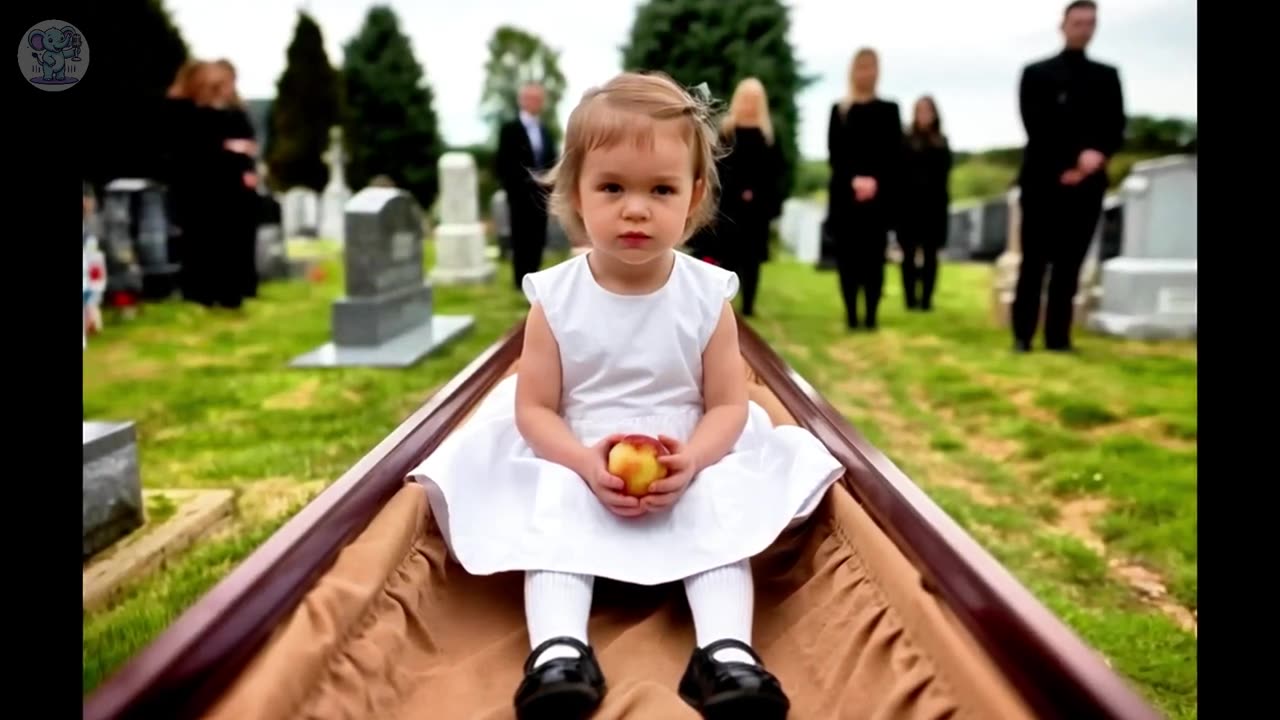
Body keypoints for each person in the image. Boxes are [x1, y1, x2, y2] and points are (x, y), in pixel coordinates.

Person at [408, 71, 844, 720]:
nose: (635, 209)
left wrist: (693, 457)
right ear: (576, 193)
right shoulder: (556, 299)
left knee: (718, 495)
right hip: (581, 447)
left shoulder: (705, 296)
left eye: (660, 189)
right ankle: (559, 649)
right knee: (552, 498)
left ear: (692, 198)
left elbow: (728, 404)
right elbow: (534, 409)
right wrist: (585, 463)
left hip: (682, 445)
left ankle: (724, 652)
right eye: (612, 187)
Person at [1012, 0, 1125, 352]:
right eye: (1078, 22)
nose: (1084, 28)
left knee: (1070, 265)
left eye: (1091, 23)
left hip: (1087, 187)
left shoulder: (1106, 76)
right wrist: (1075, 157)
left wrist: (1095, 157)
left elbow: (1115, 126)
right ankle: (1024, 335)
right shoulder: (1037, 73)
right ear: (1063, 24)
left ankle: (1058, 337)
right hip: (1044, 182)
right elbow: (1038, 125)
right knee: (1034, 263)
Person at [826, 48, 903, 331]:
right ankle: (851, 314)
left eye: (871, 67)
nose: (866, 73)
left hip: (878, 200)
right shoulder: (840, 111)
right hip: (846, 197)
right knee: (848, 258)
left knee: (873, 259)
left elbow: (894, 153)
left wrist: (875, 180)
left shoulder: (890, 110)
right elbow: (836, 153)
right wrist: (853, 180)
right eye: (862, 67)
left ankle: (871, 315)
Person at [697, 77, 783, 316]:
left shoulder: (768, 135)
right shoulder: (726, 132)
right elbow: (718, 169)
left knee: (752, 259)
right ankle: (724, 303)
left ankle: (748, 305)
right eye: (746, 99)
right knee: (728, 255)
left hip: (757, 209)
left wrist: (764, 199)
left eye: (755, 100)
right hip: (729, 206)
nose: (750, 104)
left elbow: (774, 173)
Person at [496, 83, 559, 292]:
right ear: (522, 100)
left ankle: (535, 275)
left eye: (538, 99)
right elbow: (504, 163)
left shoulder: (546, 131)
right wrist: (514, 189)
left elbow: (551, 161)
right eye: (530, 98)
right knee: (521, 236)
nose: (535, 103)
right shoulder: (510, 130)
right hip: (519, 195)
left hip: (541, 195)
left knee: (538, 237)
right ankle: (519, 279)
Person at [898, 95, 952, 311]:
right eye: (920, 110)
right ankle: (910, 298)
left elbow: (944, 174)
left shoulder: (941, 142)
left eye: (927, 111)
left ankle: (927, 299)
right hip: (909, 205)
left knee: (931, 254)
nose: (924, 115)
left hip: (934, 206)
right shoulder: (905, 141)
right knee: (908, 254)